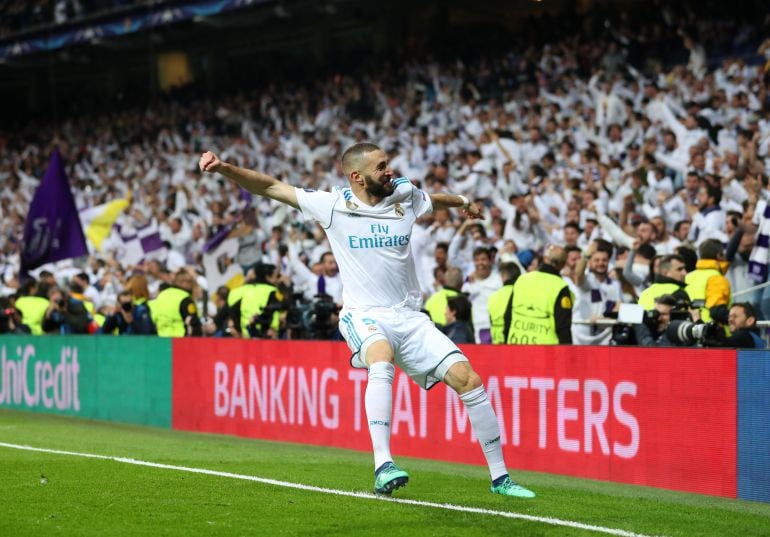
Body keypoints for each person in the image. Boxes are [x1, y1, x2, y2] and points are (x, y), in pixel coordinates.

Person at [199, 142, 535, 498]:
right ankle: (383, 464)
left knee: (469, 379)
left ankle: (501, 478)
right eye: (381, 167)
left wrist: (464, 203)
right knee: (380, 356)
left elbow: (434, 199)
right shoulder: (332, 206)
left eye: (388, 163)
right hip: (364, 315)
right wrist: (225, 168)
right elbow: (269, 186)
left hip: (410, 317)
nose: (389, 171)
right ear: (357, 177)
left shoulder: (403, 194)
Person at [507, 245, 572, 345]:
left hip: (516, 345)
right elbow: (563, 326)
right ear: (563, 265)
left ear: (544, 259)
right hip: (547, 350)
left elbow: (507, 316)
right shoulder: (560, 286)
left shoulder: (522, 279)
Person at [149, 269, 202, 337]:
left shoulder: (162, 294)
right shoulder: (185, 298)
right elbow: (193, 322)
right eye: (190, 282)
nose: (192, 286)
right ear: (183, 283)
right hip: (181, 339)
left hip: (161, 338)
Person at [487, 262, 521, 344]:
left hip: (496, 344)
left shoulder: (493, 297)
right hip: (514, 343)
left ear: (503, 276)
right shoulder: (521, 294)